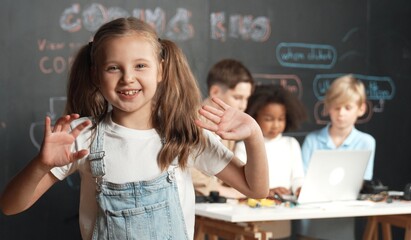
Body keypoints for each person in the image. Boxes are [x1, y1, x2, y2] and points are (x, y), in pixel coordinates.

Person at [0, 17, 269, 240]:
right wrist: (40, 164)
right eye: (113, 68)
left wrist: (254, 136)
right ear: (95, 75)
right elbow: (10, 206)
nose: (128, 78)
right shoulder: (82, 137)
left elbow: (255, 189)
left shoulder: (185, 135)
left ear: (161, 70)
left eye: (140, 65)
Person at [296, 75, 376, 240]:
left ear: (361, 109)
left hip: (344, 222)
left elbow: (363, 181)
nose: (341, 114)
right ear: (328, 108)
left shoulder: (366, 142)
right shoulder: (312, 140)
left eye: (348, 107)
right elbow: (301, 179)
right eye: (336, 107)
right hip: (310, 222)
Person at [234, 85, 307, 240]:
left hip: (282, 215)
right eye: (268, 119)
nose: (276, 125)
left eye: (281, 119)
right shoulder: (243, 146)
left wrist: (300, 188)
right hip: (251, 216)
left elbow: (297, 177)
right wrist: (267, 191)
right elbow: (239, 186)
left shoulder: (291, 144)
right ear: (254, 116)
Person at [191, 58, 255, 199]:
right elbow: (184, 165)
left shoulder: (228, 125)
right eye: (237, 97)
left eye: (246, 98)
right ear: (215, 92)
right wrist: (220, 190)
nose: (243, 106)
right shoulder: (189, 120)